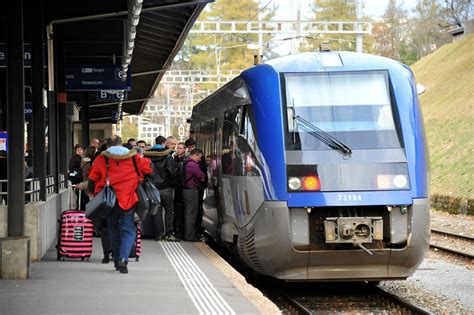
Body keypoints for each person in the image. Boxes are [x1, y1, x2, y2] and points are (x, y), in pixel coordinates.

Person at [88, 135, 153, 274]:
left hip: (108, 201)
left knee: (113, 230)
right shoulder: (134, 157)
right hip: (128, 199)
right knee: (128, 230)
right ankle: (124, 258)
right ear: (121, 144)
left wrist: (94, 193)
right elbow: (149, 170)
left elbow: (91, 179)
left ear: (107, 146)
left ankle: (117, 262)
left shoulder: (101, 158)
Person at [144, 135, 178, 241]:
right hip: (166, 188)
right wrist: (173, 184)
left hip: (153, 188)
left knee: (157, 211)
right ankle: (168, 233)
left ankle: (159, 234)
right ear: (164, 143)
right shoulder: (167, 156)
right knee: (169, 211)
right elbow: (172, 172)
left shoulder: (147, 155)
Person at [185, 138, 208, 237]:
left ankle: (193, 230)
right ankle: (191, 232)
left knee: (194, 210)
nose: (191, 149)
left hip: (196, 187)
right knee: (192, 211)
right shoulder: (191, 163)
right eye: (189, 147)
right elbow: (202, 176)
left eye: (192, 147)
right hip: (193, 188)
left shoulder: (188, 160)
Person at [173, 142, 187, 239]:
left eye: (180, 148)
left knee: (181, 211)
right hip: (177, 188)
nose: (178, 150)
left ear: (184, 149)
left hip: (181, 188)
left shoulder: (185, 160)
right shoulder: (175, 159)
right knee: (177, 211)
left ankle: (180, 231)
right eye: (177, 148)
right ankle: (177, 230)